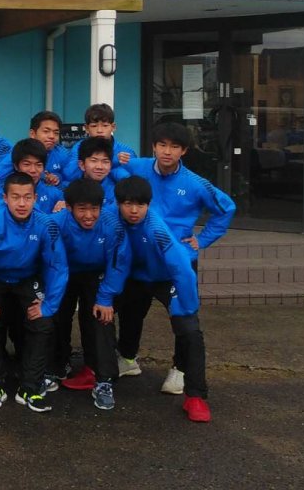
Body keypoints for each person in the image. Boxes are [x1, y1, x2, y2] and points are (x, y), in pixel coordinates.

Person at [116, 123, 234, 393]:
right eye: (162, 145)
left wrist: (202, 240)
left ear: (184, 151)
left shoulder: (195, 183)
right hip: (139, 258)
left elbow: (226, 208)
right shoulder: (138, 166)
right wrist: (118, 158)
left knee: (183, 318)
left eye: (174, 147)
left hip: (176, 263)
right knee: (131, 313)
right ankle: (127, 359)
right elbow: (109, 169)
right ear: (154, 147)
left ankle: (180, 369)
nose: (167, 152)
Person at [0, 173, 67, 413]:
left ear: (35, 198)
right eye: (16, 197)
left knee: (42, 323)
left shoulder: (45, 224)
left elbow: (58, 266)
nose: (22, 203)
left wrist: (48, 305)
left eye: (27, 197)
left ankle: (30, 386)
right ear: (5, 198)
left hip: (27, 278)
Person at [112, 176, 211, 423]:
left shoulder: (157, 229)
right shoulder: (110, 218)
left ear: (148, 205)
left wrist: (188, 307)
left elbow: (181, 268)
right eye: (128, 204)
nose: (134, 210)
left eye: (140, 205)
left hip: (167, 278)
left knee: (188, 329)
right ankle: (118, 362)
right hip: (135, 277)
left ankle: (195, 395)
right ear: (118, 204)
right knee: (109, 313)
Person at [50, 179, 128, 410]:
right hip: (63, 273)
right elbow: (50, 261)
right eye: (82, 209)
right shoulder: (56, 223)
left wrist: (105, 298)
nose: (89, 215)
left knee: (101, 319)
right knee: (56, 316)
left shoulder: (112, 226)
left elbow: (118, 264)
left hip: (97, 275)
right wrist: (50, 299)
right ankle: (56, 365)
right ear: (69, 207)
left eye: (94, 208)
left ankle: (103, 379)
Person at [61, 103, 136, 183]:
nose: (99, 130)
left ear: (113, 127)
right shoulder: (79, 147)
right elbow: (69, 174)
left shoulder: (126, 151)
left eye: (105, 125)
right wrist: (113, 160)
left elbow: (134, 181)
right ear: (86, 128)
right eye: (94, 126)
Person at [0, 111, 72, 186]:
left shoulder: (62, 153)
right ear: (32, 134)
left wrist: (58, 178)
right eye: (46, 131)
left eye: (56, 133)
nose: (52, 136)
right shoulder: (20, 152)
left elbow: (70, 180)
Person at [9, 139, 66, 215]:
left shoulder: (53, 193)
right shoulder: (4, 190)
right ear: (16, 166)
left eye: (38, 165)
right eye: (27, 164)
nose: (33, 170)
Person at [75, 136, 119, 206]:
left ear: (111, 165)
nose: (99, 167)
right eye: (94, 161)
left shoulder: (117, 192)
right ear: (82, 165)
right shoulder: (70, 189)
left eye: (105, 161)